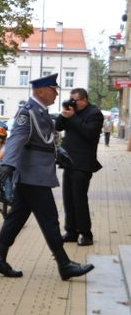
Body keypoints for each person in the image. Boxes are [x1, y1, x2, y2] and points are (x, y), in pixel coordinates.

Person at [0, 73, 94, 281]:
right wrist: (8, 164)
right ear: (41, 91)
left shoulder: (40, 111)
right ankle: (64, 265)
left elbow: (42, 140)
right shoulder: (28, 112)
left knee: (16, 219)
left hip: (35, 174)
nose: (56, 93)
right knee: (50, 220)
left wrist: (57, 152)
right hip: (33, 175)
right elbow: (17, 138)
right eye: (53, 90)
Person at [55, 88, 103, 247]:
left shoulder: (95, 114)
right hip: (68, 161)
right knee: (68, 197)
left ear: (84, 100)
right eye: (71, 99)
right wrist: (64, 114)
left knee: (79, 198)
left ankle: (86, 234)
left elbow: (89, 133)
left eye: (75, 100)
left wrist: (74, 117)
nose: (72, 103)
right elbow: (58, 127)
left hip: (83, 163)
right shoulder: (71, 111)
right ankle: (71, 231)